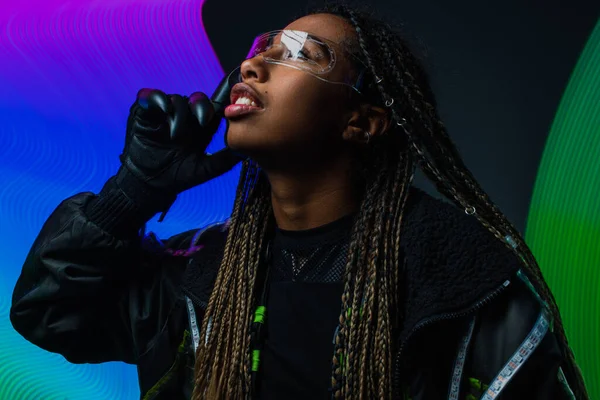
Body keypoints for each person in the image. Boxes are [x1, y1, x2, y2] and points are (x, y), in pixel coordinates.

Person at [10, 3, 589, 400]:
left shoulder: (466, 283)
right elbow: (49, 313)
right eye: (262, 47)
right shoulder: (199, 276)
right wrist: (136, 189)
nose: (251, 64)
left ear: (361, 123)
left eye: (300, 54)